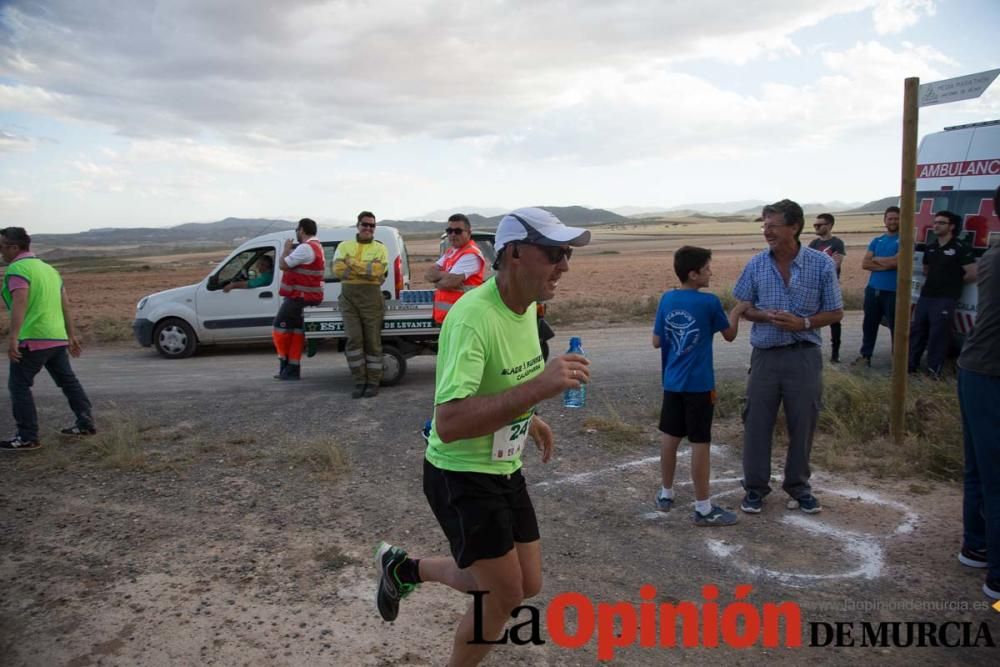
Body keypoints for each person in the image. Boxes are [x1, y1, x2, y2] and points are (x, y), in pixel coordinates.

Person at [373, 207, 591, 666]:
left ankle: (404, 568)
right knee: (504, 595)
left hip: (503, 467)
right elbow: (449, 424)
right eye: (554, 253)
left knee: (524, 583)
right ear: (513, 254)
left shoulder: (528, 308)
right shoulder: (473, 318)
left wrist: (529, 417)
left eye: (566, 253)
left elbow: (503, 383)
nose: (565, 265)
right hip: (462, 473)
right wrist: (538, 389)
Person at [733, 199, 843, 515]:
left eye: (773, 225)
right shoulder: (756, 264)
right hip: (765, 357)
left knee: (803, 422)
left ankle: (798, 487)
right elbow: (743, 306)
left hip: (804, 356)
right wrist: (764, 316)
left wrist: (803, 323)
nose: (766, 231)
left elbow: (835, 311)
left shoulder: (820, 264)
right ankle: (755, 488)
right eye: (764, 226)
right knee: (756, 422)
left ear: (794, 227)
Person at [652, 246, 747, 526]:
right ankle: (704, 508)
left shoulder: (667, 299)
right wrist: (737, 310)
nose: (710, 273)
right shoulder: (709, 303)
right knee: (700, 443)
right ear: (693, 275)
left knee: (670, 438)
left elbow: (656, 341)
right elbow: (729, 334)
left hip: (672, 383)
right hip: (699, 385)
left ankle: (666, 493)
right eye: (707, 269)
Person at [1, 227, 95, 451]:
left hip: (32, 337)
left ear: (14, 247)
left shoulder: (18, 269)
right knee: (68, 382)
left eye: (1, 246)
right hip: (56, 337)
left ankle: (27, 437)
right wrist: (71, 334)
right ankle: (85, 424)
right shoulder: (49, 270)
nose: (1, 252)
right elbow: (65, 304)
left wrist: (13, 337)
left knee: (19, 386)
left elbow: (20, 303)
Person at [958, 186, 1000, 601]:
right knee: (994, 472)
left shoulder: (990, 257)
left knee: (981, 467)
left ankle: (977, 545)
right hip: (990, 373)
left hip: (976, 369)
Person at [908, 210, 977, 377]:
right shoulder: (931, 248)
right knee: (917, 331)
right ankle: (910, 367)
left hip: (945, 298)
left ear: (951, 226)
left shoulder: (960, 248)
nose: (936, 225)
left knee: (938, 334)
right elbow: (926, 269)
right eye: (935, 222)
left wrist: (952, 283)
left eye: (941, 223)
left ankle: (934, 370)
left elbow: (972, 272)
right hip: (926, 296)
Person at [333, 211, 388, 398]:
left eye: (372, 225)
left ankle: (373, 382)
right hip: (348, 300)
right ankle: (359, 381)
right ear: (358, 225)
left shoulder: (380, 248)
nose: (368, 228)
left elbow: (379, 271)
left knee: (373, 342)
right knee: (354, 340)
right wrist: (366, 269)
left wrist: (352, 263)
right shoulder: (344, 245)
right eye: (365, 224)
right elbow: (339, 271)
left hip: (371, 299)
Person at [273, 218, 325, 381]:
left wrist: (286, 250)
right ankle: (291, 370)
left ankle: (286, 367)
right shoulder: (317, 247)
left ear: (301, 230)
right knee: (296, 333)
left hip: (299, 298)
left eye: (297, 229)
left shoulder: (305, 248)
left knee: (279, 330)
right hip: (306, 298)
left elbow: (283, 264)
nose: (296, 232)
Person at [856, 206, 900, 367]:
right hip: (873, 290)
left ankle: (898, 360)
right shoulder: (877, 240)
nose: (893, 221)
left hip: (894, 292)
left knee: (896, 328)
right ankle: (865, 356)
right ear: (885, 220)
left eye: (896, 218)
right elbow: (865, 264)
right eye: (890, 218)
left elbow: (898, 262)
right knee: (869, 324)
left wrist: (877, 260)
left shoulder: (905, 240)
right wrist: (889, 263)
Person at [426, 213, 486, 325]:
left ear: (468, 233)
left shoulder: (471, 255)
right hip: (448, 319)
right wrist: (446, 275)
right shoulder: (451, 252)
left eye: (458, 231)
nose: (453, 234)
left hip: (463, 319)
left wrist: (439, 280)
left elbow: (447, 283)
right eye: (449, 231)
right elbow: (428, 274)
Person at [809, 213, 846, 363]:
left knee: (834, 320)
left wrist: (823, 267)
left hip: (831, 286)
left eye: (819, 225)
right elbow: (808, 266)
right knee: (810, 319)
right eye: (815, 225)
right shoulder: (813, 244)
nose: (816, 227)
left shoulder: (837, 243)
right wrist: (827, 264)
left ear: (829, 225)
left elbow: (836, 264)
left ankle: (835, 353)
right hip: (814, 287)